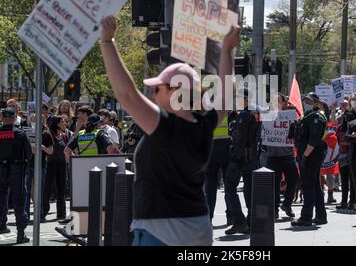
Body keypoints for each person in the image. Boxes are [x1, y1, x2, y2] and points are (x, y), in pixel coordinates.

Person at [99, 15, 239, 246]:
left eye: (158, 89)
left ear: (176, 91)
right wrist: (226, 50)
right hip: (199, 229)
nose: (153, 95)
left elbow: (127, 94)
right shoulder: (204, 125)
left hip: (161, 232)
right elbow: (226, 93)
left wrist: (107, 42)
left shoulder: (165, 127)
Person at [224, 88, 260, 235]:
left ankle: (239, 222)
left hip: (241, 158)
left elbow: (240, 139)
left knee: (229, 188)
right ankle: (250, 223)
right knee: (249, 190)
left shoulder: (244, 115)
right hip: (251, 157)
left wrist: (234, 158)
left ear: (246, 99)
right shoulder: (255, 113)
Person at [290, 93, 328, 227]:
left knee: (307, 186)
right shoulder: (306, 116)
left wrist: (305, 156)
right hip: (307, 153)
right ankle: (321, 216)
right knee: (315, 185)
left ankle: (306, 217)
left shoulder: (317, 117)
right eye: (305, 100)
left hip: (312, 154)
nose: (306, 103)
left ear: (317, 103)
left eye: (309, 101)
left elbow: (314, 139)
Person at [0, 108, 32, 243]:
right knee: (19, 202)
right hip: (17, 170)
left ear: (2, 117)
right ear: (14, 118)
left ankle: (2, 226)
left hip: (1, 169)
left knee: (1, 200)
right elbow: (29, 154)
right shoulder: (20, 133)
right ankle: (20, 234)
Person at [266, 93, 298, 219]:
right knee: (273, 184)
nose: (275, 103)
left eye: (278, 100)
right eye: (273, 101)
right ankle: (274, 209)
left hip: (288, 155)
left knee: (294, 179)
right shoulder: (267, 115)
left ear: (284, 103)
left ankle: (287, 204)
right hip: (272, 156)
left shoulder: (290, 115)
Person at [25, 120, 54, 223]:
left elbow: (50, 151)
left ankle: (40, 214)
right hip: (28, 165)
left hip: (40, 165)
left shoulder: (46, 134)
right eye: (32, 120)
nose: (34, 122)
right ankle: (26, 215)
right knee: (26, 191)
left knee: (40, 190)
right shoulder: (26, 133)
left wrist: (41, 147)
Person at [205, 113, 232, 224]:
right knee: (229, 186)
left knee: (210, 186)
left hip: (211, 148)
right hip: (226, 147)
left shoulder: (205, 106)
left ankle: (209, 217)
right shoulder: (227, 107)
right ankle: (230, 216)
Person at [43, 116, 69, 221]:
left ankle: (61, 214)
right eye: (63, 122)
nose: (65, 123)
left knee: (61, 189)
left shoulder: (64, 135)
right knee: (48, 189)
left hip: (62, 164)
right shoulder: (48, 134)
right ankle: (43, 212)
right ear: (57, 124)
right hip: (50, 164)